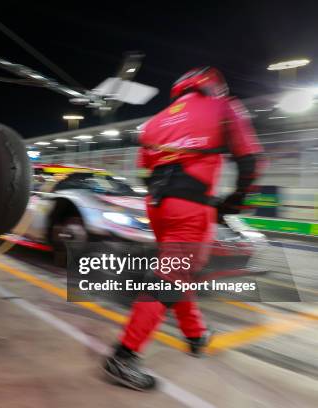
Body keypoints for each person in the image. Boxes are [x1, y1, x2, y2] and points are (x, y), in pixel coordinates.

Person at [103, 67, 264, 390]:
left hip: (158, 205)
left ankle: (196, 335)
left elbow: (145, 172)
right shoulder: (224, 107)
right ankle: (125, 355)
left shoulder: (156, 121)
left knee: (177, 271)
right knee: (172, 275)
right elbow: (251, 161)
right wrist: (235, 201)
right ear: (213, 85)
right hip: (191, 207)